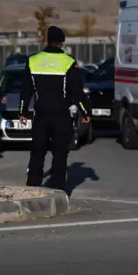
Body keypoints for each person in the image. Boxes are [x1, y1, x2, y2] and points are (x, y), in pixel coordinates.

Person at [19, 26, 91, 191]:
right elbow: (77, 91)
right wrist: (85, 112)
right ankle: (57, 190)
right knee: (59, 153)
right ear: (62, 43)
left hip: (41, 115)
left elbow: (26, 91)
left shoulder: (33, 60)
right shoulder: (68, 62)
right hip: (61, 115)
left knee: (37, 152)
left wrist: (23, 111)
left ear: (47, 40)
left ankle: (32, 189)